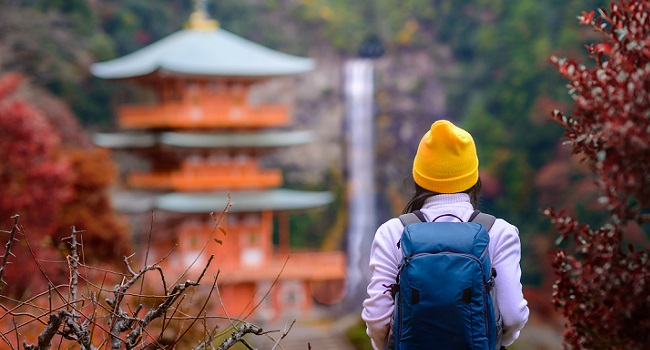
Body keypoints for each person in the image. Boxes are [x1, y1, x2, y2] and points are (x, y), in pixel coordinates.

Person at [361, 119, 529, 349]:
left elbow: (376, 317)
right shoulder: (500, 232)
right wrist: (495, 341)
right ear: (473, 177)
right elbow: (513, 315)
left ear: (419, 175)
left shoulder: (392, 232)